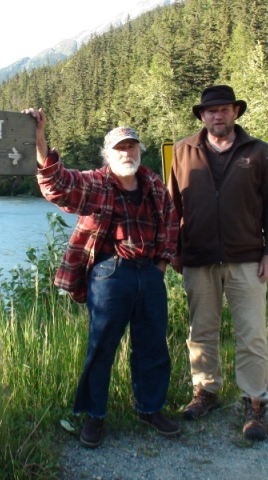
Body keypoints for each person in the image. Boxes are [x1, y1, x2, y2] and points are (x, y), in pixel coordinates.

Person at [24, 107, 181, 448]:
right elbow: (58, 185)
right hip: (110, 275)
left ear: (140, 150)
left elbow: (170, 225)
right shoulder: (96, 182)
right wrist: (40, 141)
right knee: (101, 348)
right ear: (107, 155)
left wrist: (161, 267)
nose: (126, 153)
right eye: (119, 148)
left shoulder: (154, 184)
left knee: (153, 346)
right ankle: (94, 417)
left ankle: (150, 408)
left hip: (150, 274)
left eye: (132, 147)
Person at [167, 85, 268, 441]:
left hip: (247, 258)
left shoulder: (258, 152)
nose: (218, 115)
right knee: (201, 332)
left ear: (235, 112)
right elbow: (173, 207)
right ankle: (206, 391)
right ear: (202, 116)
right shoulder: (183, 151)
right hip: (198, 259)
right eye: (211, 110)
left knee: (252, 334)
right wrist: (173, 249)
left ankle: (255, 403)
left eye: (224, 109)